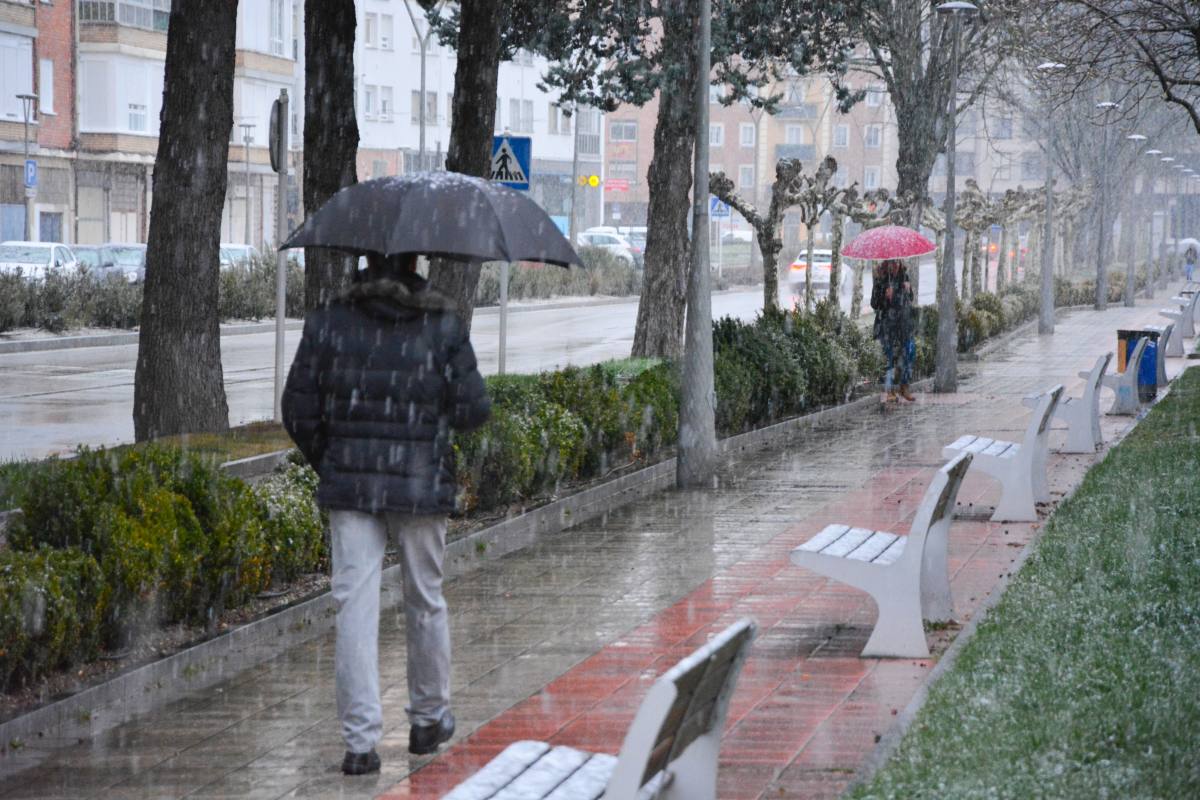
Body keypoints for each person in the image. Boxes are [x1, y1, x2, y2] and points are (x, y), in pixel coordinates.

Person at [282, 252, 491, 775]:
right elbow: (474, 408)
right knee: (425, 598)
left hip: (351, 488)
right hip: (420, 484)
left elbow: (297, 408)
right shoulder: (441, 324)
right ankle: (427, 718)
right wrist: (434, 422)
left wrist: (332, 457)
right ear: (415, 261)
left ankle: (359, 745)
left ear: (364, 258)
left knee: (354, 607)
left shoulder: (329, 321)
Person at [870, 258, 916, 403]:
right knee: (887, 356)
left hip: (903, 324)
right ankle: (889, 389)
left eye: (897, 263)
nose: (895, 266)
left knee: (909, 352)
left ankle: (904, 386)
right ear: (887, 264)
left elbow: (910, 299)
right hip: (886, 324)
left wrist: (908, 290)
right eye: (892, 263)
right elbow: (874, 303)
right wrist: (885, 295)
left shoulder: (904, 276)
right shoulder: (881, 278)